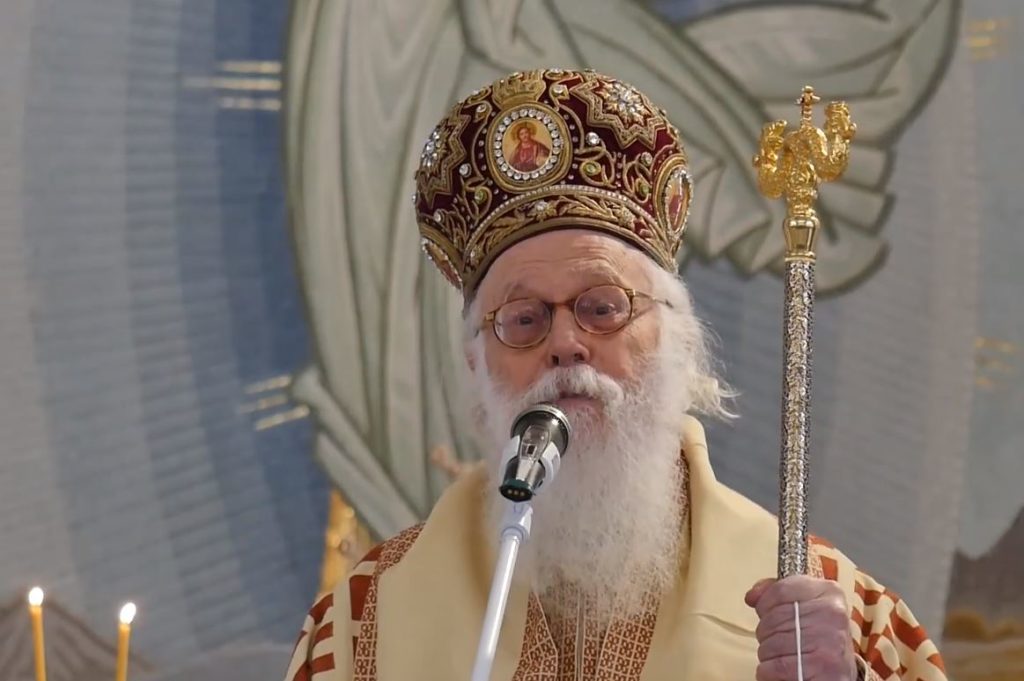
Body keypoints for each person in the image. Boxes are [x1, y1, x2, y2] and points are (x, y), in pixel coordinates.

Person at [284, 69, 947, 681]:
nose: (565, 345)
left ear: (676, 340)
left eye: (602, 308)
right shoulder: (364, 624)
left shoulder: (832, 610)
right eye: (523, 319)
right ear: (475, 365)